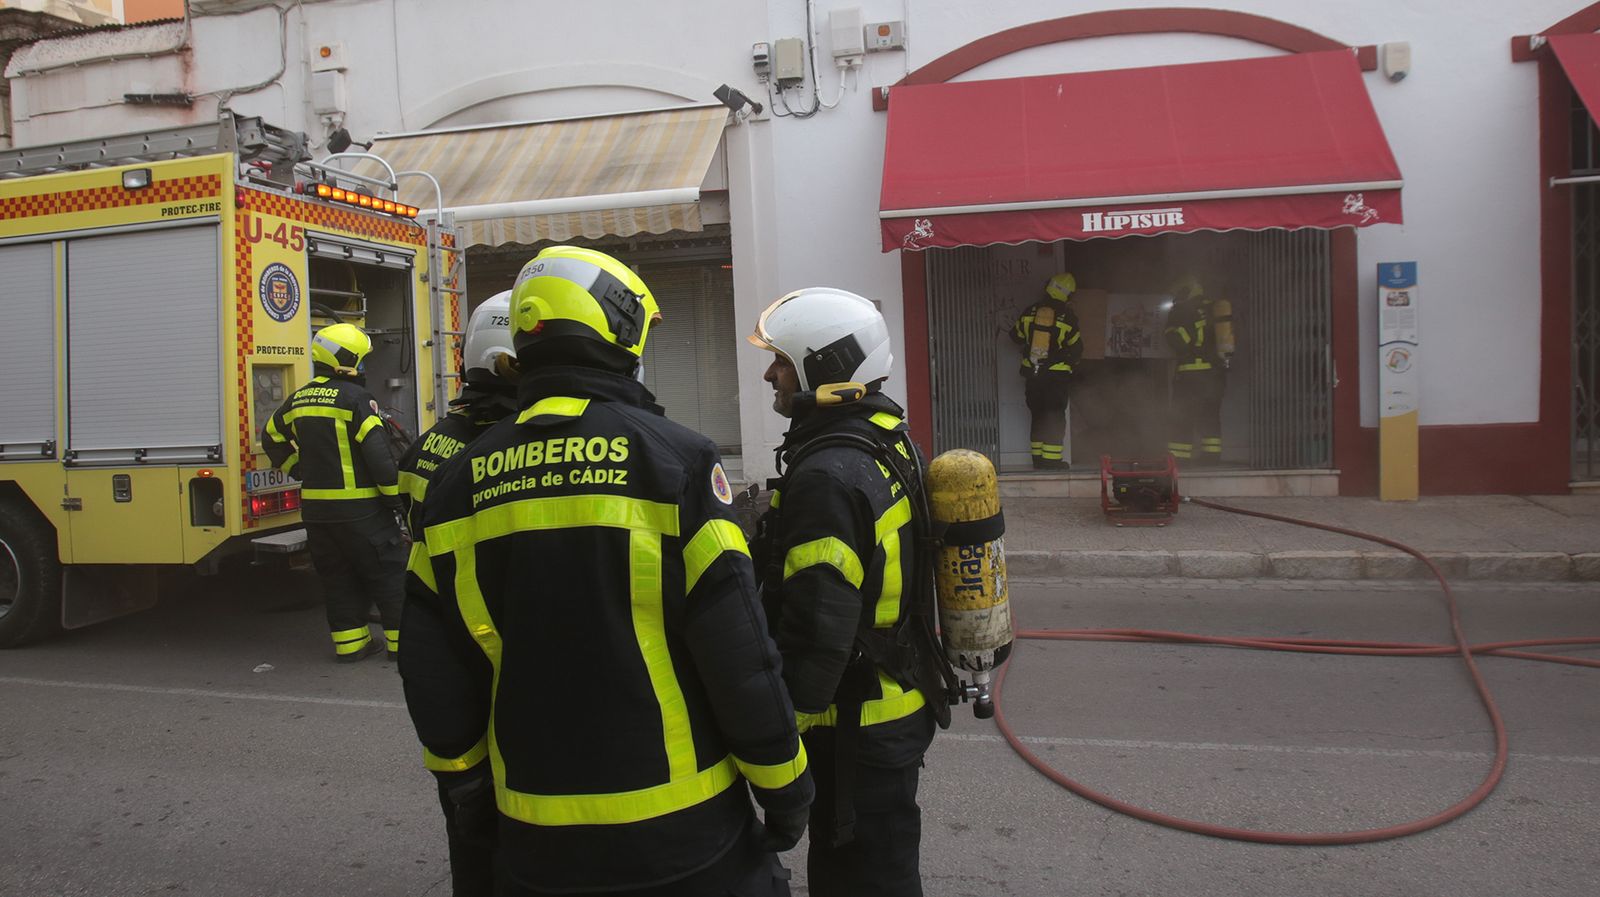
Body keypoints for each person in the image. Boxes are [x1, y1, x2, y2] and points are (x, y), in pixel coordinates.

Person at [400, 246, 812, 897]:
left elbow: (432, 661)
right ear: (616, 333)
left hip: (532, 830)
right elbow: (738, 652)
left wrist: (465, 785)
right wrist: (785, 785)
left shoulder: (456, 483)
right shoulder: (675, 462)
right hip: (682, 831)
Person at [748, 287, 944, 897]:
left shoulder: (827, 478)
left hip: (854, 727)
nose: (769, 374)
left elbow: (818, 628)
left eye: (781, 360)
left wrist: (783, 740)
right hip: (894, 707)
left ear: (824, 365)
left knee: (859, 881)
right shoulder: (882, 438)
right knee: (877, 869)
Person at [393, 290, 519, 897]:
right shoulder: (505, 454)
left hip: (448, 660)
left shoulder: (430, 444)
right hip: (502, 657)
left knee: (467, 829)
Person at [263, 322, 404, 663]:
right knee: (387, 574)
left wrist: (298, 468)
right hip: (363, 510)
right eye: (362, 358)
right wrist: (395, 500)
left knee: (337, 577)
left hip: (317, 512)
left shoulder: (299, 399)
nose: (365, 366)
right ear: (347, 360)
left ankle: (351, 645)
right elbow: (379, 457)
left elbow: (271, 437)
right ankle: (404, 645)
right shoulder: (357, 399)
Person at [1010, 272, 1084, 469]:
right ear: (1068, 294)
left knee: (1038, 416)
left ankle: (1038, 460)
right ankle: (1051, 461)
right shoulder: (1067, 317)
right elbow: (1077, 349)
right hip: (1056, 377)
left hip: (1033, 376)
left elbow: (1015, 336)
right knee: (1054, 417)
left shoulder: (1030, 311)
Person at [1163, 276, 1228, 466]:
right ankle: (1212, 456)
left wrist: (1170, 330)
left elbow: (1178, 342)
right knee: (1210, 415)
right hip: (1215, 375)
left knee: (1183, 415)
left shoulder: (1183, 311)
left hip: (1191, 375)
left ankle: (1179, 458)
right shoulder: (1213, 309)